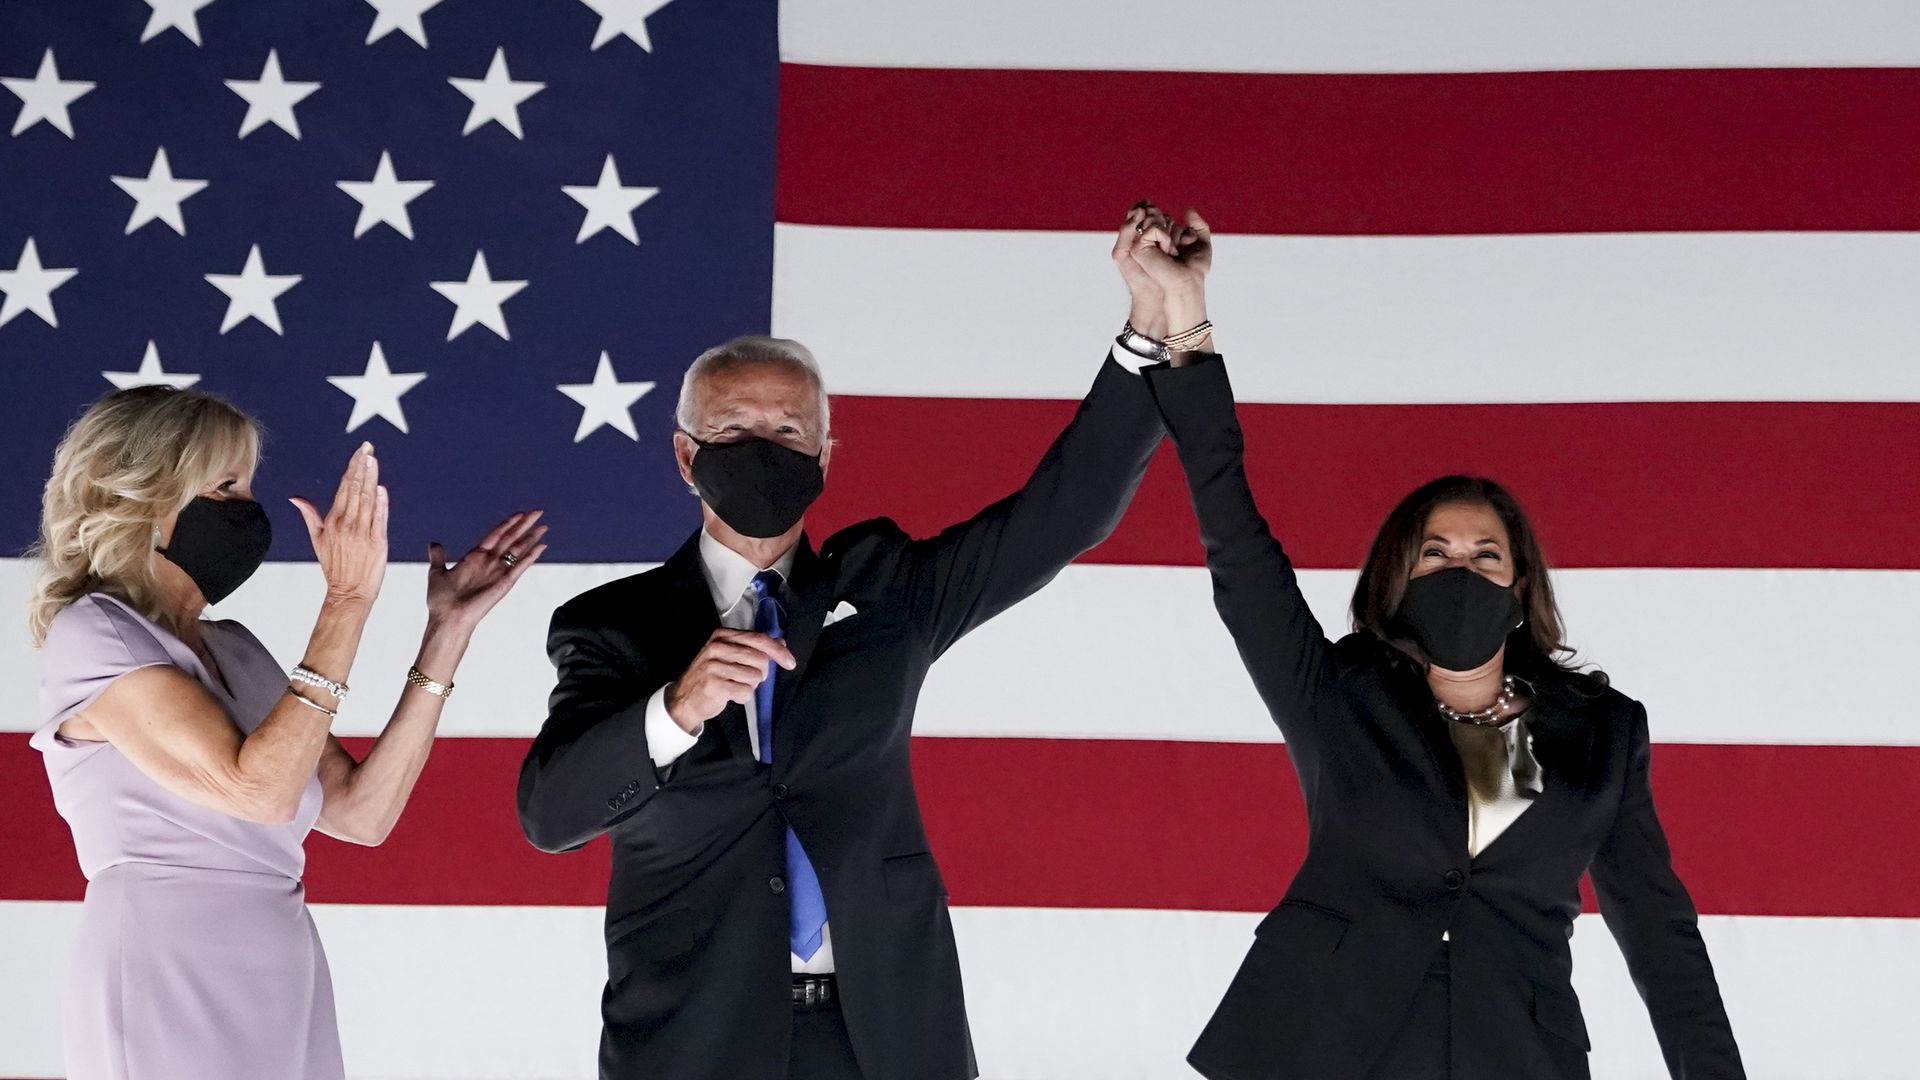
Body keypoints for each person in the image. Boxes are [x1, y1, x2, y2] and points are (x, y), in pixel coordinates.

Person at [515, 205, 1201, 1080]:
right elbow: (550, 816)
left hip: (885, 1037)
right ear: (687, 457)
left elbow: (1064, 512)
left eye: (789, 432)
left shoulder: (883, 588)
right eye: (735, 432)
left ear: (826, 456)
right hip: (694, 1043)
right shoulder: (612, 627)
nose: (765, 448)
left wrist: (1150, 325)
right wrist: (676, 710)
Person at [1116, 210, 1745, 1079]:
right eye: (1436, 553)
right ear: (1397, 579)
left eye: (1487, 555)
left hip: (1515, 1055)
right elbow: (1239, 546)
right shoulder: (1337, 694)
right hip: (1322, 1048)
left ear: (1522, 585)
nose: (1462, 569)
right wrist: (1187, 324)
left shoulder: (1602, 731)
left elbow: (1662, 936)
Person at [28, 386, 546, 1080]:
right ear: (147, 498)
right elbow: (260, 792)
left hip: (283, 965)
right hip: (165, 969)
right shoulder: (94, 632)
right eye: (226, 485)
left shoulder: (236, 647)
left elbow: (362, 815)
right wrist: (346, 602)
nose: (248, 507)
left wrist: (446, 630)